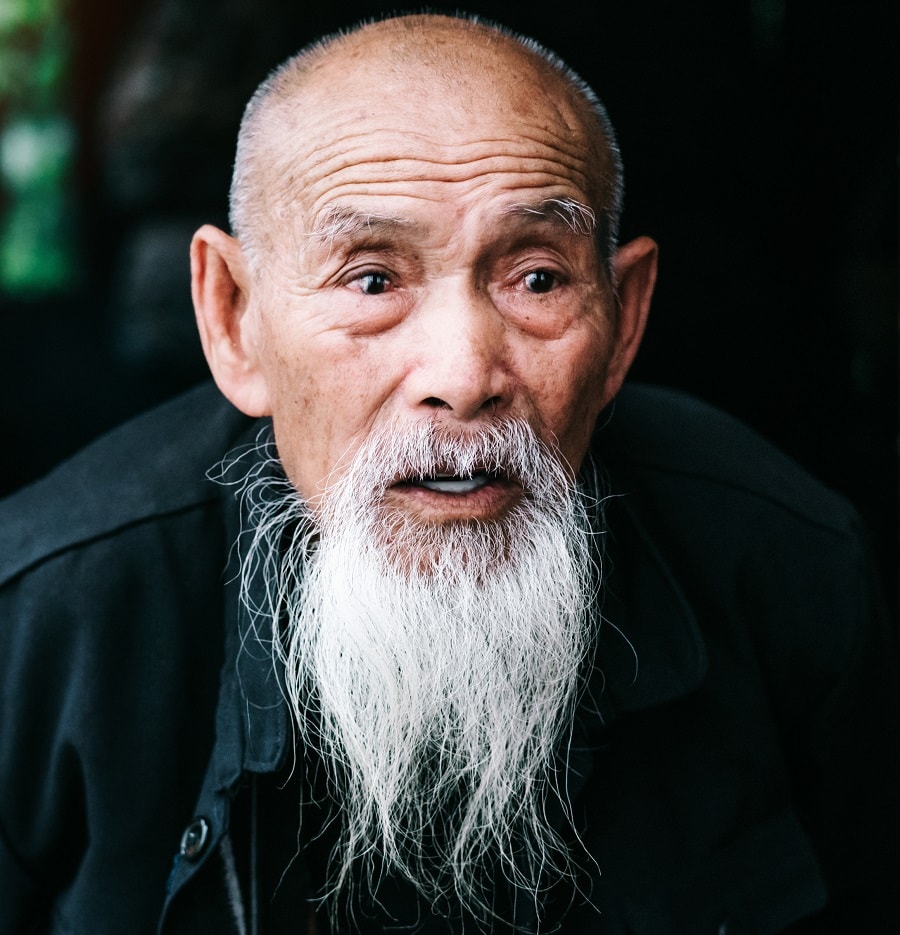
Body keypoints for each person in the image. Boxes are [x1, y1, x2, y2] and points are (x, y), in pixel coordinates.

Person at [0, 12, 896, 934]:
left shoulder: (789, 567)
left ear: (624, 322)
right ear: (234, 320)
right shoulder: (41, 623)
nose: (464, 377)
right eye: (373, 281)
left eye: (538, 279)